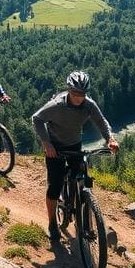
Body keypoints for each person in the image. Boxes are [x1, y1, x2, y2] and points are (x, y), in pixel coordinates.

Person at [31, 70, 119, 242]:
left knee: (82, 177)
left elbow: (101, 122)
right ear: (69, 90)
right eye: (75, 93)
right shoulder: (57, 105)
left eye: (82, 93)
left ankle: (83, 209)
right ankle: (52, 224)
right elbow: (37, 119)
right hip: (55, 148)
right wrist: (46, 143)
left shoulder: (89, 105)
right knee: (54, 187)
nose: (79, 97)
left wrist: (110, 139)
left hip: (74, 145)